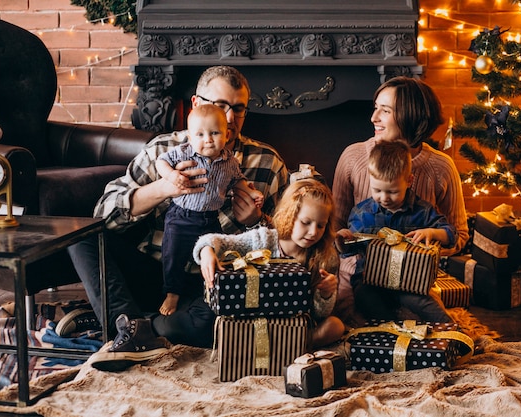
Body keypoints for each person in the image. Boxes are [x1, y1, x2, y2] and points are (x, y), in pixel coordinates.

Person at [68, 66, 289, 372]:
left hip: (213, 284)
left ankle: (130, 323)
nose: (228, 118)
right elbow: (104, 215)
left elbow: (286, 249)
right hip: (155, 272)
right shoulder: (164, 150)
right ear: (197, 104)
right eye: (220, 106)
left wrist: (256, 220)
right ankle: (134, 329)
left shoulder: (266, 163)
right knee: (81, 236)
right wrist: (162, 188)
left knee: (216, 326)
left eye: (238, 109)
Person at [331, 76, 469, 323]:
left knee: (424, 325)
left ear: (410, 116)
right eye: (375, 108)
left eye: (385, 111)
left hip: (413, 279)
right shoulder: (353, 157)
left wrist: (430, 241)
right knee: (353, 322)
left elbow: (459, 235)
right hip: (361, 276)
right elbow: (335, 228)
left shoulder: (441, 168)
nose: (374, 118)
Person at [194, 179, 345, 348]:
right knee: (201, 324)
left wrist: (325, 295)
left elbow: (319, 314)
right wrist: (207, 250)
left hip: (293, 327)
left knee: (335, 326)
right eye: (306, 222)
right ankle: (281, 347)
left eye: (321, 225)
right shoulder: (264, 239)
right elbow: (216, 240)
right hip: (252, 321)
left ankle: (286, 347)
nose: (313, 232)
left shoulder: (324, 257)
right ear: (290, 215)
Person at [155, 104, 263, 316]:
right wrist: (170, 175)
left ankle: (212, 289)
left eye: (214, 133)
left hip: (211, 219)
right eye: (200, 134)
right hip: (181, 217)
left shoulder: (229, 161)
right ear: (190, 136)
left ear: (226, 134)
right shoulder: (184, 152)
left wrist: (251, 194)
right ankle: (172, 292)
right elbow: (161, 161)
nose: (208, 139)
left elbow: (237, 182)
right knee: (173, 255)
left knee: (217, 256)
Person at [336, 140, 456, 323]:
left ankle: (456, 336)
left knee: (428, 307)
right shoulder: (362, 214)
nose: (384, 198)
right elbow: (350, 251)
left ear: (409, 181)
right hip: (370, 282)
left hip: (410, 284)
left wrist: (431, 233)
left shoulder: (422, 211)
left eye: (392, 192)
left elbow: (452, 235)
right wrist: (343, 241)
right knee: (365, 301)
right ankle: (392, 331)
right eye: (377, 190)